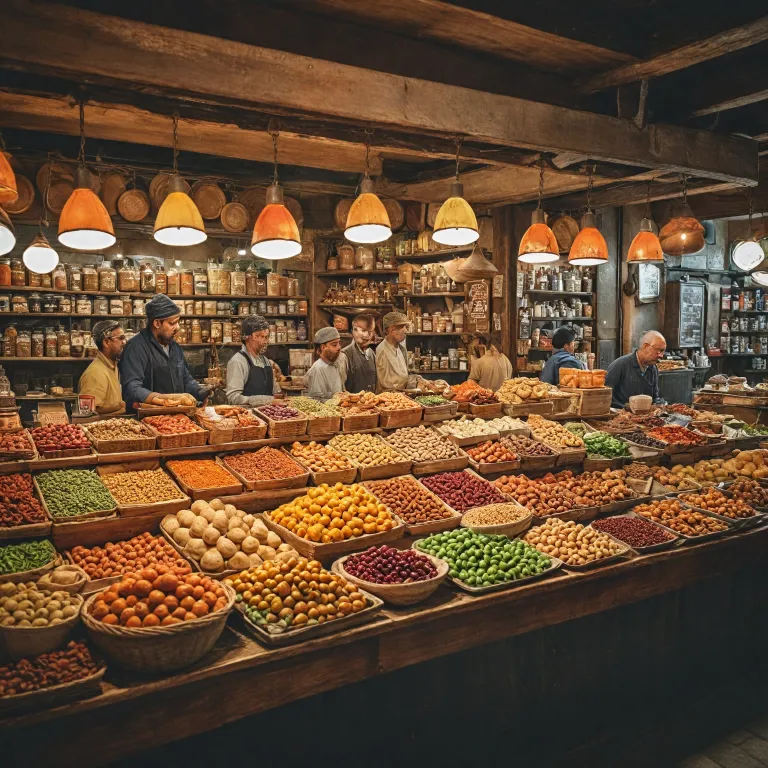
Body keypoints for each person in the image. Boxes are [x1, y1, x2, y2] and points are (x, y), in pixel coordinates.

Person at [120, 293, 211, 411]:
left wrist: (200, 392)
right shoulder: (136, 347)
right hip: (148, 418)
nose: (177, 328)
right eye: (172, 323)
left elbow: (186, 379)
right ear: (157, 323)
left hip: (176, 418)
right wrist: (158, 399)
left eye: (178, 322)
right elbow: (132, 387)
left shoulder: (174, 347)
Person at [225, 315, 282, 407]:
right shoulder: (238, 362)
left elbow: (274, 393)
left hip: (268, 415)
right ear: (247, 337)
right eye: (260, 336)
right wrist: (266, 400)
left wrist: (279, 396)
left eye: (266, 337)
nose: (265, 341)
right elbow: (233, 398)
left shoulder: (266, 361)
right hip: (247, 417)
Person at [605, 330, 667, 409]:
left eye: (663, 351)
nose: (661, 356)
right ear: (646, 347)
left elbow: (655, 396)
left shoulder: (653, 368)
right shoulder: (620, 365)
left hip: (644, 417)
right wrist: (626, 408)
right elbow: (605, 397)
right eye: (659, 350)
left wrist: (659, 402)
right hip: (621, 417)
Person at [78, 319, 127, 415]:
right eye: (121, 338)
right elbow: (88, 411)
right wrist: (120, 406)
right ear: (106, 342)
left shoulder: (112, 365)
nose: (124, 342)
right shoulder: (95, 373)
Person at [304, 327, 346, 401]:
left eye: (339, 343)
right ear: (323, 347)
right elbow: (316, 400)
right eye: (334, 345)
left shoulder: (337, 363)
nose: (339, 347)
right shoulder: (317, 369)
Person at [339, 314, 377, 393]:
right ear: (353, 331)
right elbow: (340, 389)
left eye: (370, 331)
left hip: (370, 402)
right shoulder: (344, 355)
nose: (367, 335)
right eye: (363, 331)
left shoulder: (371, 353)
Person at [376, 311, 409, 392]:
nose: (405, 331)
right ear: (390, 330)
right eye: (401, 327)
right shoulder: (381, 351)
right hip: (388, 399)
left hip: (401, 396)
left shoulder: (401, 349)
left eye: (406, 327)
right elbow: (385, 384)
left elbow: (404, 377)